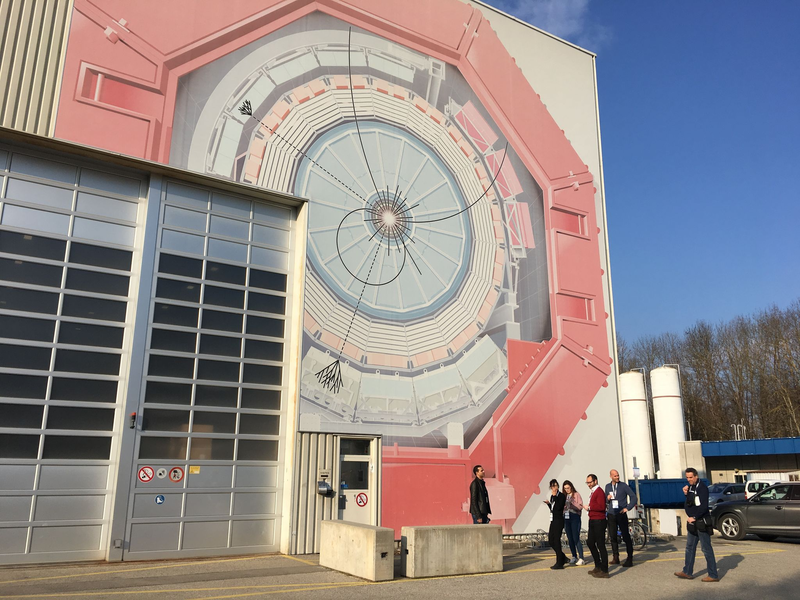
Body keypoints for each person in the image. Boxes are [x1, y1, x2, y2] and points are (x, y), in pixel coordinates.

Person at [675, 467, 719, 582]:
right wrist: (686, 493)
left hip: (701, 522)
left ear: (696, 476)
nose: (689, 480)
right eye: (687, 477)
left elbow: (703, 506)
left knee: (706, 549)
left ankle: (713, 575)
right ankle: (687, 571)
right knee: (689, 547)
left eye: (691, 477)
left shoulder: (702, 488)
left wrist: (694, 517)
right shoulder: (691, 487)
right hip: (692, 524)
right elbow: (691, 502)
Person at [605, 469, 637, 567]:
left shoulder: (623, 486)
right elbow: (605, 501)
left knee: (626, 535)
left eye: (618, 475)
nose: (617, 477)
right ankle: (616, 557)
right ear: (611, 476)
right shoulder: (607, 486)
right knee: (613, 536)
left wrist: (627, 508)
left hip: (621, 513)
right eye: (615, 476)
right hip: (611, 514)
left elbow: (634, 497)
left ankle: (630, 558)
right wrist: (607, 498)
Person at [584, 473, 609, 578]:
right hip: (593, 519)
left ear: (595, 481)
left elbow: (601, 506)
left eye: (590, 482)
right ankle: (598, 565)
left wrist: (589, 507)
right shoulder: (593, 492)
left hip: (599, 520)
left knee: (601, 545)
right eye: (587, 482)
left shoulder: (599, 491)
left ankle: (604, 570)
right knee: (590, 542)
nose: (588, 484)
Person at [543, 479, 568, 569]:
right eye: (552, 486)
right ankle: (563, 556)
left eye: (556, 486)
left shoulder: (561, 496)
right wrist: (548, 504)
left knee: (556, 540)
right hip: (553, 520)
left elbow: (559, 507)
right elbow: (553, 509)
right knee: (551, 540)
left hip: (559, 520)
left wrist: (555, 497)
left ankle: (559, 562)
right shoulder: (552, 496)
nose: (554, 488)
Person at [562, 480, 586, 565]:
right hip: (566, 517)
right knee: (570, 538)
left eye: (568, 488)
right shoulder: (564, 496)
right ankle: (574, 556)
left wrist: (572, 502)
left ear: (571, 487)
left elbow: (580, 506)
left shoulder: (576, 494)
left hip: (575, 517)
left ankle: (581, 557)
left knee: (576, 537)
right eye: (565, 488)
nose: (567, 490)